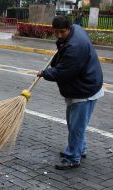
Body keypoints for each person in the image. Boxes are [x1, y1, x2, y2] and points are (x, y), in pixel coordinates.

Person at [37, 15, 104, 170]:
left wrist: (45, 73)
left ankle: (73, 157)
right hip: (85, 85)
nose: (59, 35)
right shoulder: (76, 30)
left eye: (62, 32)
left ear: (69, 28)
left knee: (76, 127)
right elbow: (63, 55)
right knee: (76, 124)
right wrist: (61, 47)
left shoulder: (75, 47)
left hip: (85, 89)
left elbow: (63, 72)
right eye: (56, 32)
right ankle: (80, 149)